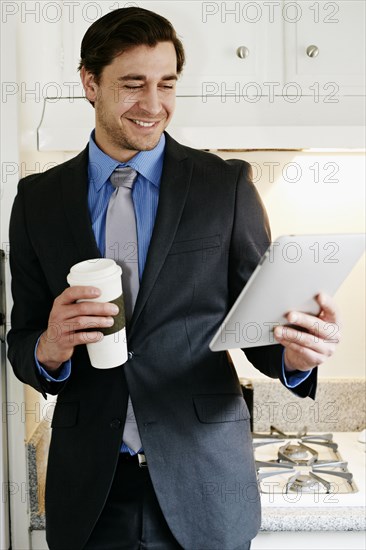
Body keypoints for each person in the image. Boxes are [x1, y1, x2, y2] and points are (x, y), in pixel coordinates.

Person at [7, 7, 340, 550]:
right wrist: (48, 346)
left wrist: (295, 358)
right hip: (91, 490)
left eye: (167, 84)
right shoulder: (38, 201)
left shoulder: (224, 187)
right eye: (133, 85)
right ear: (90, 84)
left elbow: (258, 331)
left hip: (205, 487)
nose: (154, 105)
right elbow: (21, 342)